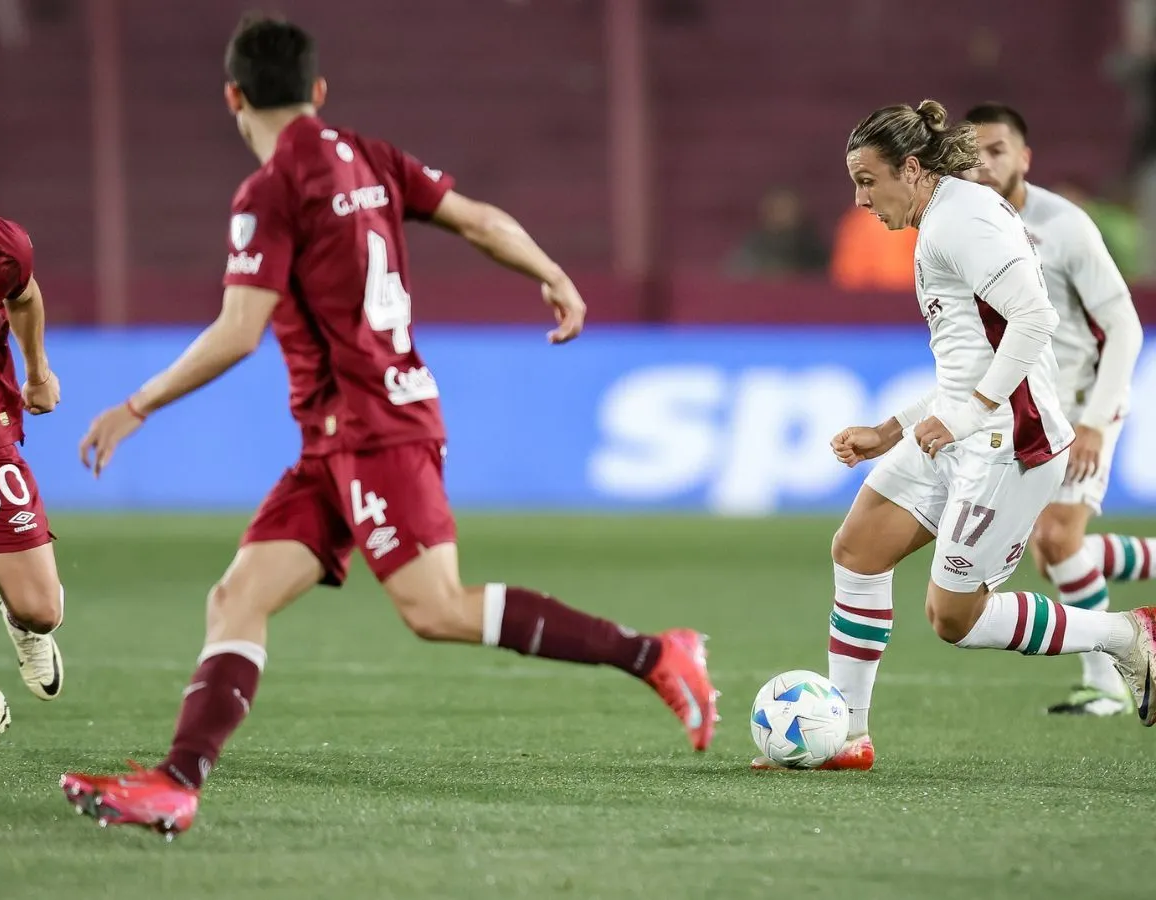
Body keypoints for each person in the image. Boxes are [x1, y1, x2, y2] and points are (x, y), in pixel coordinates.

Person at [60, 14, 717, 837]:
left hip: (374, 428)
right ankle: (177, 784)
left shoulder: (268, 193)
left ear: (232, 96)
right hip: (339, 439)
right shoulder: (369, 155)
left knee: (434, 608)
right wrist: (553, 272)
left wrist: (137, 403)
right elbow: (477, 219)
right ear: (319, 92)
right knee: (237, 595)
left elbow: (238, 329)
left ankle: (657, 654)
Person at [752, 100, 1156, 772]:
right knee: (857, 549)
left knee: (954, 619)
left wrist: (969, 415)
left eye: (867, 179)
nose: (859, 199)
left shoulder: (961, 221)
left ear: (911, 169)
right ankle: (846, 737)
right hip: (964, 432)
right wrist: (892, 427)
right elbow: (970, 359)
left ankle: (1126, 634)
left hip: (1009, 444)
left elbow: (1034, 320)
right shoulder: (944, 217)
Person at [963, 102, 1147, 717]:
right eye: (975, 152)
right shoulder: (968, 225)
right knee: (1053, 555)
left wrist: (1097, 417)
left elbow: (1123, 326)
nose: (985, 163)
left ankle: (1109, 683)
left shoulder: (1064, 226)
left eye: (998, 150)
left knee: (1056, 535)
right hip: (1029, 405)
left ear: (1024, 157)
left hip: (1081, 404)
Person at [0, 131, 66, 754]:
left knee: (41, 611)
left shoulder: (3, 248)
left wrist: (38, 371)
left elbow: (24, 297)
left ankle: (24, 621)